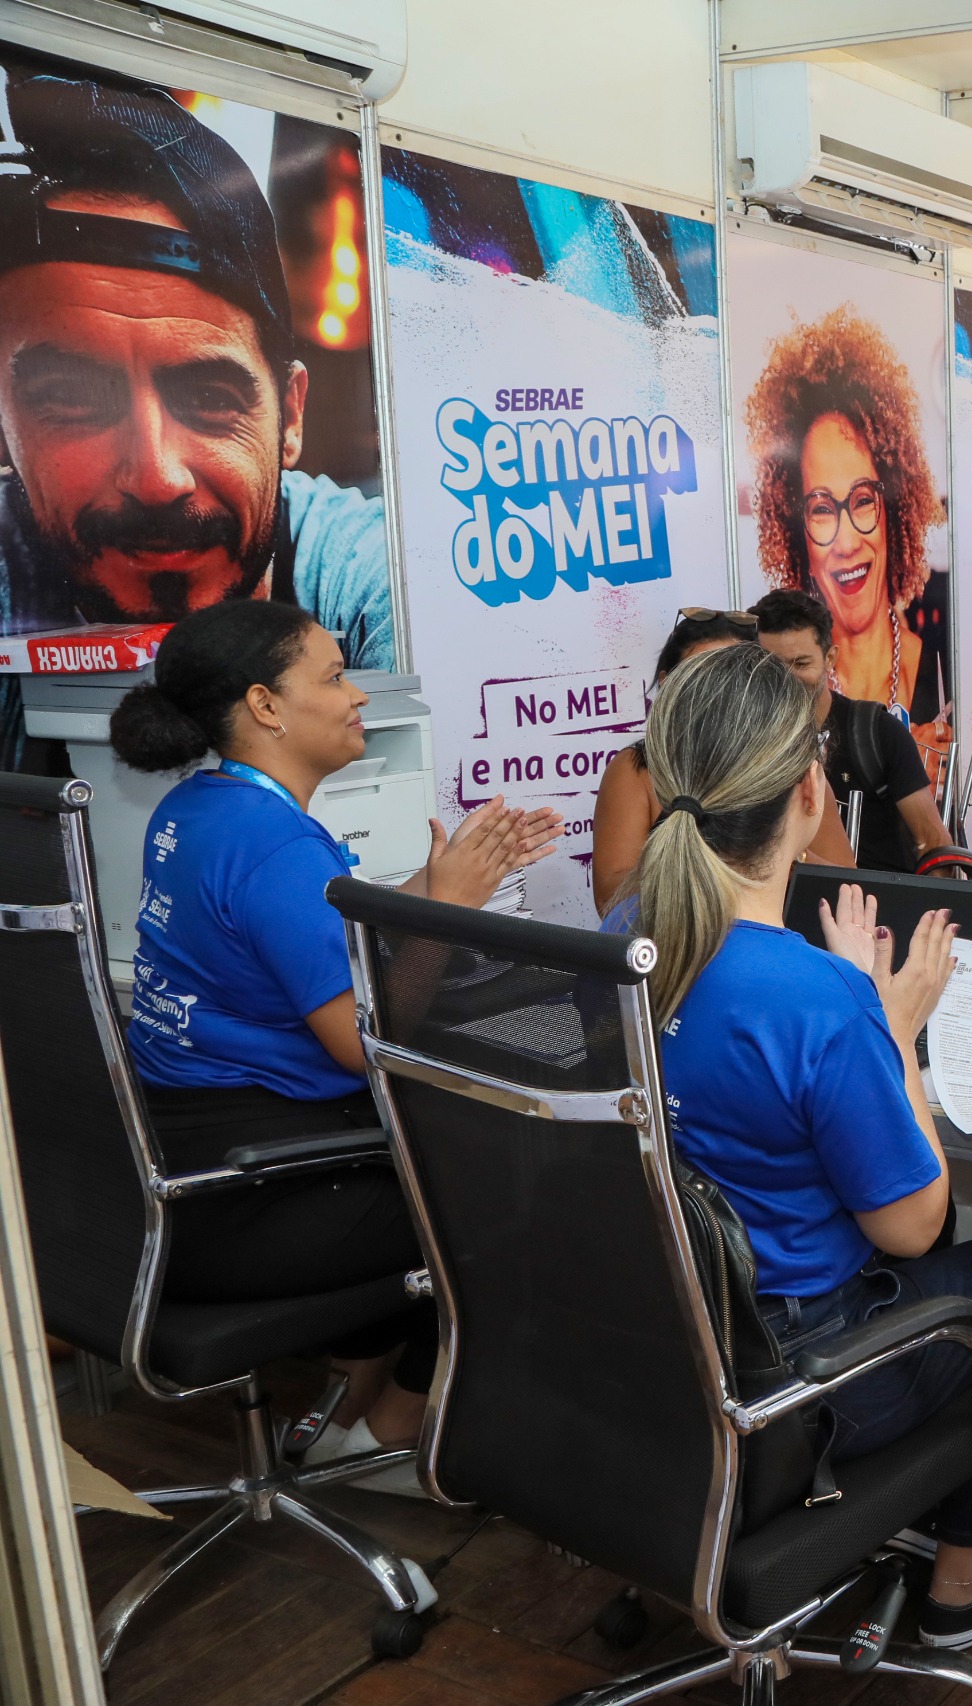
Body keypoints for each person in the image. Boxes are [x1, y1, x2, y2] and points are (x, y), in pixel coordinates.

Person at [622, 642, 972, 1649]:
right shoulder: (815, 999)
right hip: (792, 1378)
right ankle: (963, 1587)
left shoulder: (625, 942)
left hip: (652, 1350)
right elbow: (914, 1229)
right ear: (805, 791)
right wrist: (893, 1029)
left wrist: (858, 1013)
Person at [109, 600, 559, 1488]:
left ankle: (344, 1405)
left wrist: (430, 885)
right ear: (266, 706)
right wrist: (450, 907)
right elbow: (364, 1042)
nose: (357, 695)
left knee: (438, 1157)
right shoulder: (274, 844)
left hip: (183, 1177)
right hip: (252, 1191)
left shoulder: (198, 810)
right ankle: (386, 1440)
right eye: (334, 676)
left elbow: (293, 931)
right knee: (515, 1196)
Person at [0, 71, 392, 767]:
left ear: (290, 417)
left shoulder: (369, 580)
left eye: (211, 399)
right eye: (72, 398)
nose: (155, 477)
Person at [743, 306, 944, 732]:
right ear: (797, 534)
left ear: (894, 510)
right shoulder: (784, 687)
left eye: (863, 500)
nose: (848, 540)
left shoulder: (941, 667)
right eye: (821, 509)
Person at [591, 609, 857, 912]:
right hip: (677, 950)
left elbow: (846, 888)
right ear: (668, 683)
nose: (719, 693)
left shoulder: (792, 765)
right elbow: (610, 899)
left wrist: (787, 851)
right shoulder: (636, 768)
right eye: (701, 677)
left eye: (733, 677)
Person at [752, 587, 950, 873]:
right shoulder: (747, 742)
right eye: (773, 666)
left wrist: (930, 912)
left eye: (801, 663)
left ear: (830, 659)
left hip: (882, 908)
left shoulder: (877, 732)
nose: (786, 679)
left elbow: (933, 842)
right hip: (780, 911)